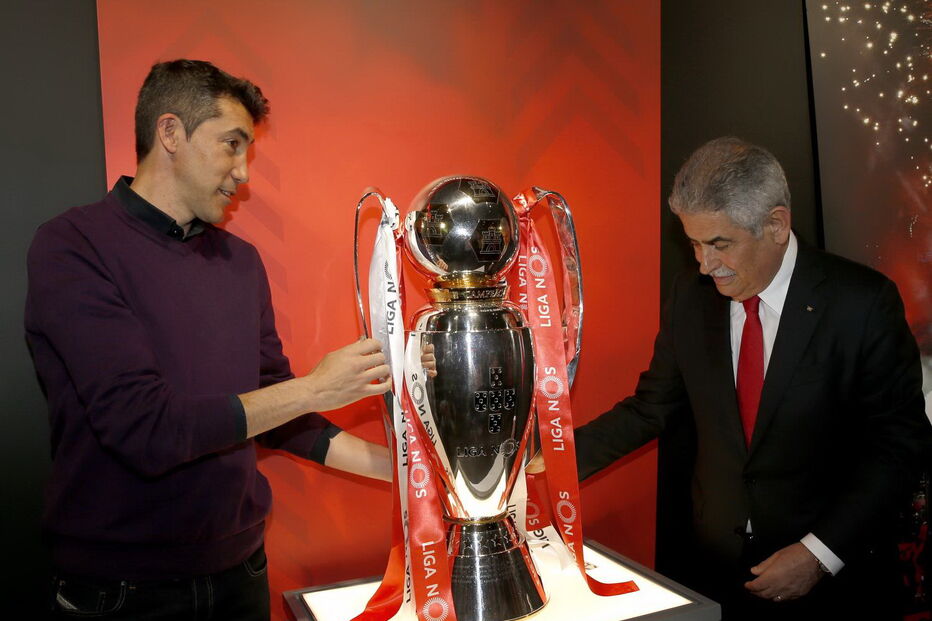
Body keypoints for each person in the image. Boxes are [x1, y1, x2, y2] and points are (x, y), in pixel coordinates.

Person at [25, 59, 392, 620]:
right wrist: (315, 388)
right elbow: (144, 429)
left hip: (241, 576)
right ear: (170, 132)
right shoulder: (72, 247)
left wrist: (414, 472)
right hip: (119, 592)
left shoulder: (240, 261)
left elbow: (278, 410)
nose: (243, 171)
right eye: (231, 144)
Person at [571, 137, 931, 619]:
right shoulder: (691, 296)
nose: (704, 264)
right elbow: (650, 408)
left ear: (777, 225)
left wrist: (817, 555)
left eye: (720, 244)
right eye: (694, 244)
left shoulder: (861, 304)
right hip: (716, 573)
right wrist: (544, 466)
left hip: (834, 581)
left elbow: (900, 446)